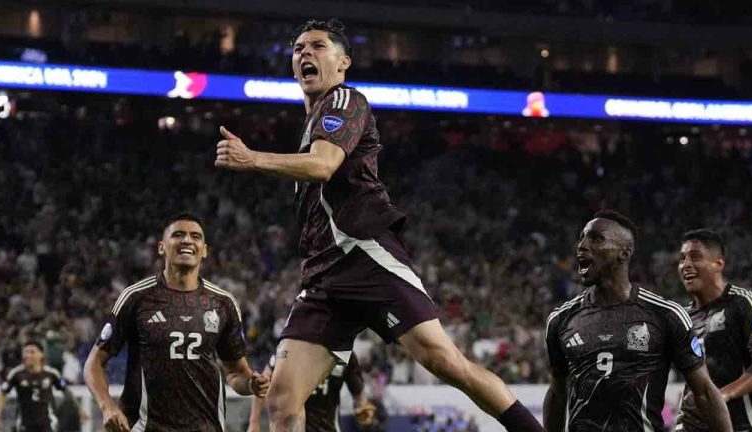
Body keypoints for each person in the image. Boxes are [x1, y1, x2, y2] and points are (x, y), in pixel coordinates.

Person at [214, 17, 544, 432]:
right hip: (323, 278)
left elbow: (323, 165)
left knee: (444, 362)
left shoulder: (343, 102)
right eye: (298, 49)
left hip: (363, 255)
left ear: (344, 61)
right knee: (283, 398)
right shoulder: (312, 121)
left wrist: (253, 158)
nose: (304, 54)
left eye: (317, 46)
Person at [544, 210, 732, 431]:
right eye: (582, 237)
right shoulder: (561, 319)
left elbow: (705, 393)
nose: (582, 246)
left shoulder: (665, 315)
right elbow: (557, 395)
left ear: (624, 253)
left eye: (596, 239)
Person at [83, 212, 269, 432]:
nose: (187, 240)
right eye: (178, 235)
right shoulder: (136, 297)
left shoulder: (223, 302)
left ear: (205, 250)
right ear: (162, 247)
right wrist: (107, 407)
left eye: (195, 236)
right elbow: (94, 363)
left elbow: (236, 373)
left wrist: (251, 384)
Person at [676, 229, 752, 431]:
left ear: (718, 264)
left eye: (695, 257)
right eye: (682, 258)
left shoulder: (743, 303)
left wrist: (722, 395)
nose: (686, 265)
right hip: (695, 423)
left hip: (742, 424)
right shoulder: (682, 318)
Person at [247, 352, 375, 432]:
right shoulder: (290, 348)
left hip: (328, 428)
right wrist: (254, 423)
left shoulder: (346, 355)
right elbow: (262, 384)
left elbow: (360, 398)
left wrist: (364, 409)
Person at [0, 341, 84, 432]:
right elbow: (2, 395)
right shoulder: (16, 374)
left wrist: (79, 409)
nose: (28, 355)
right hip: (24, 424)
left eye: (32, 352)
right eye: (26, 352)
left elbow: (66, 392)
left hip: (48, 423)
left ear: (41, 354)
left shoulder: (51, 374)